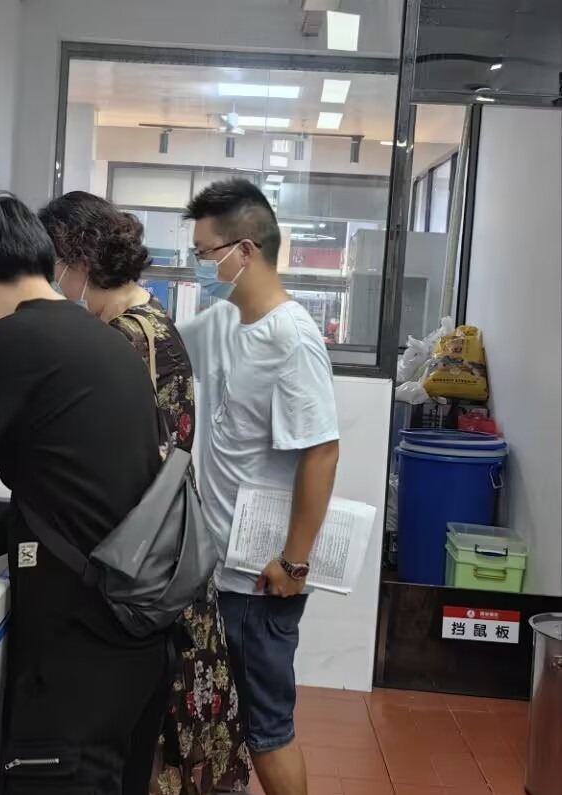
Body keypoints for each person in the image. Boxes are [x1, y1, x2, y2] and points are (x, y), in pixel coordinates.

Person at [0, 193, 171, 795]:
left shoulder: (2, 346)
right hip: (136, 635)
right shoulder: (105, 340)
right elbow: (70, 489)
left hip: (78, 644)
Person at [38, 191, 251, 795]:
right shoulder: (151, 320)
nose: (53, 279)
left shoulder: (124, 340)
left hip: (147, 564)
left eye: (54, 263)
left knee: (155, 736)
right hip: (172, 548)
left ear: (78, 260)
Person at [179, 180, 340, 795]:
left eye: (205, 252)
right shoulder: (222, 322)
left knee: (266, 730)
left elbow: (321, 452)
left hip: (261, 578)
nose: (200, 264)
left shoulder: (291, 338)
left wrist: (293, 562)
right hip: (216, 566)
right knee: (222, 717)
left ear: (244, 251)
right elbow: (154, 345)